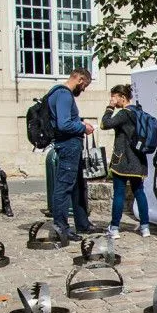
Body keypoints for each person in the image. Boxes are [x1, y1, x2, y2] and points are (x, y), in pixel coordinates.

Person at [47, 67, 97, 241]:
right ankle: (61, 228)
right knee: (64, 187)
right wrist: (83, 127)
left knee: (77, 186)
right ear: (80, 80)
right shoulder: (63, 95)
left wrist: (80, 123)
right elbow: (64, 124)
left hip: (70, 145)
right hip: (68, 145)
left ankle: (82, 223)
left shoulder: (59, 94)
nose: (83, 90)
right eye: (85, 86)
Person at [101, 84, 149, 238]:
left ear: (122, 97)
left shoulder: (124, 113)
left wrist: (110, 107)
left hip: (123, 160)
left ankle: (114, 228)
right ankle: (145, 227)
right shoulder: (139, 112)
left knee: (119, 193)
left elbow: (105, 124)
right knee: (139, 192)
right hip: (138, 159)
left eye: (114, 97)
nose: (112, 100)